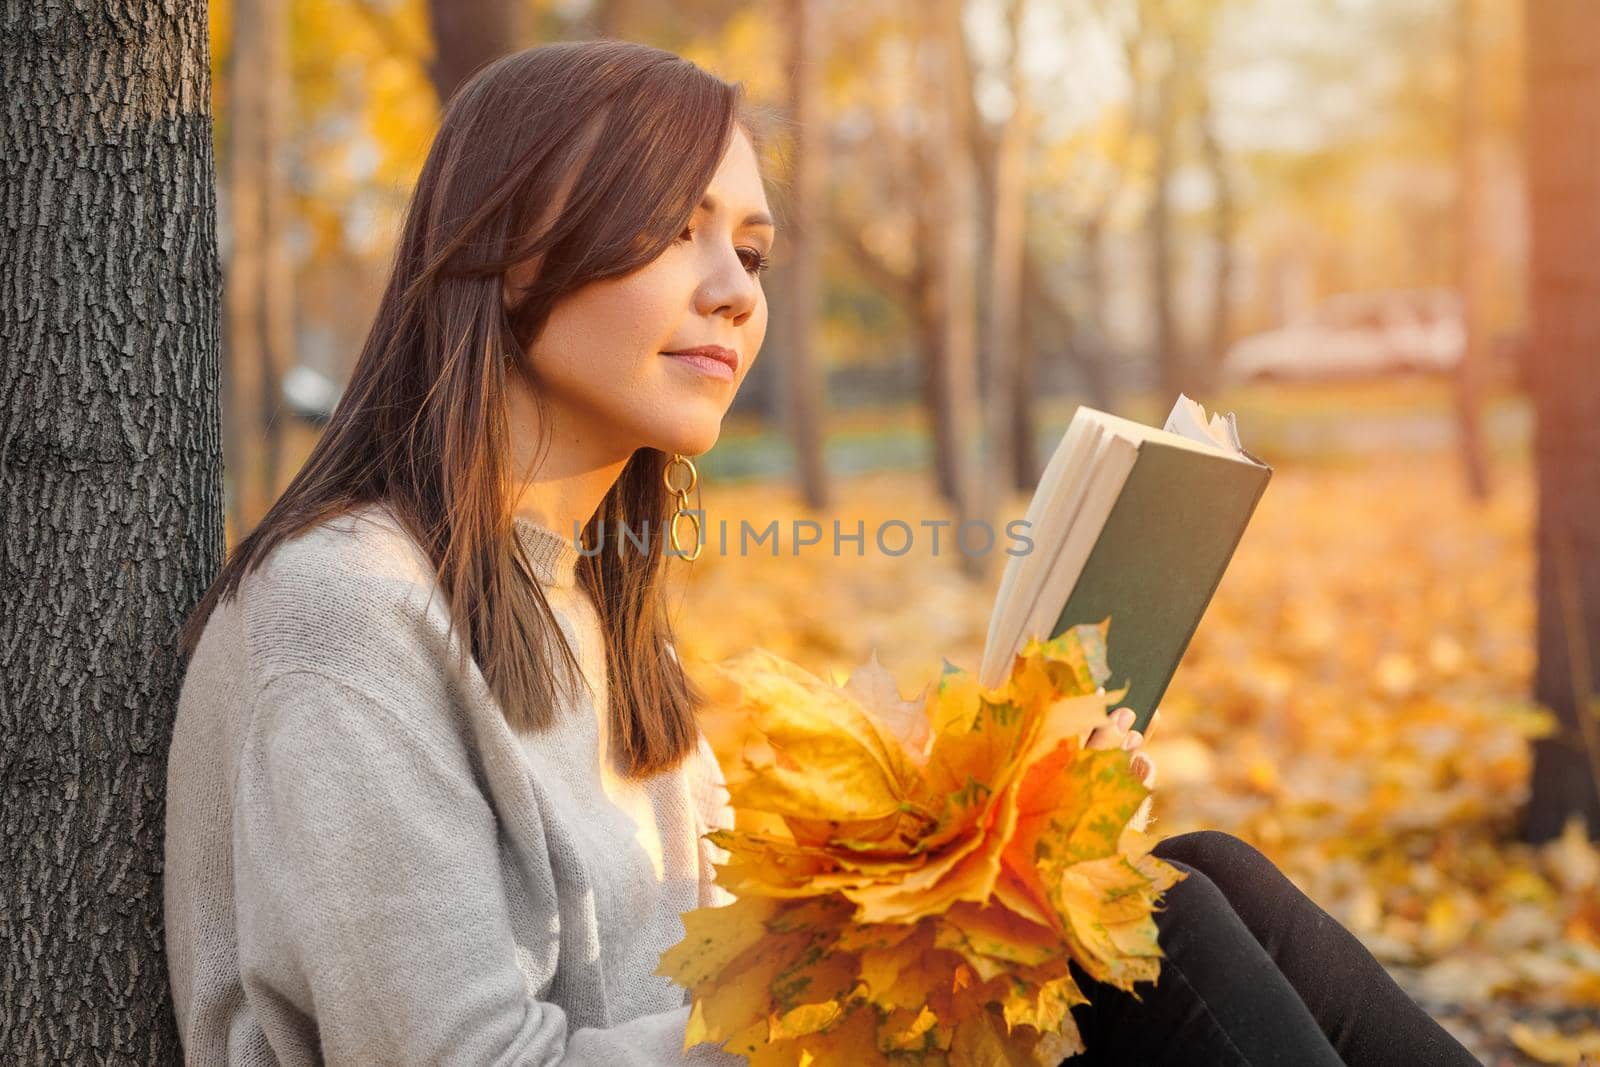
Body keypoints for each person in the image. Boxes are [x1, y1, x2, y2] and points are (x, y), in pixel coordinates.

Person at [161, 39, 1478, 1066]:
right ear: (508, 251)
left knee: (1188, 876)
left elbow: (732, 959)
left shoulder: (586, 596)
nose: (736, 292)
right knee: (1163, 935)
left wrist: (975, 835)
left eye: (751, 249)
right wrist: (906, 959)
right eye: (677, 228)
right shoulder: (344, 613)